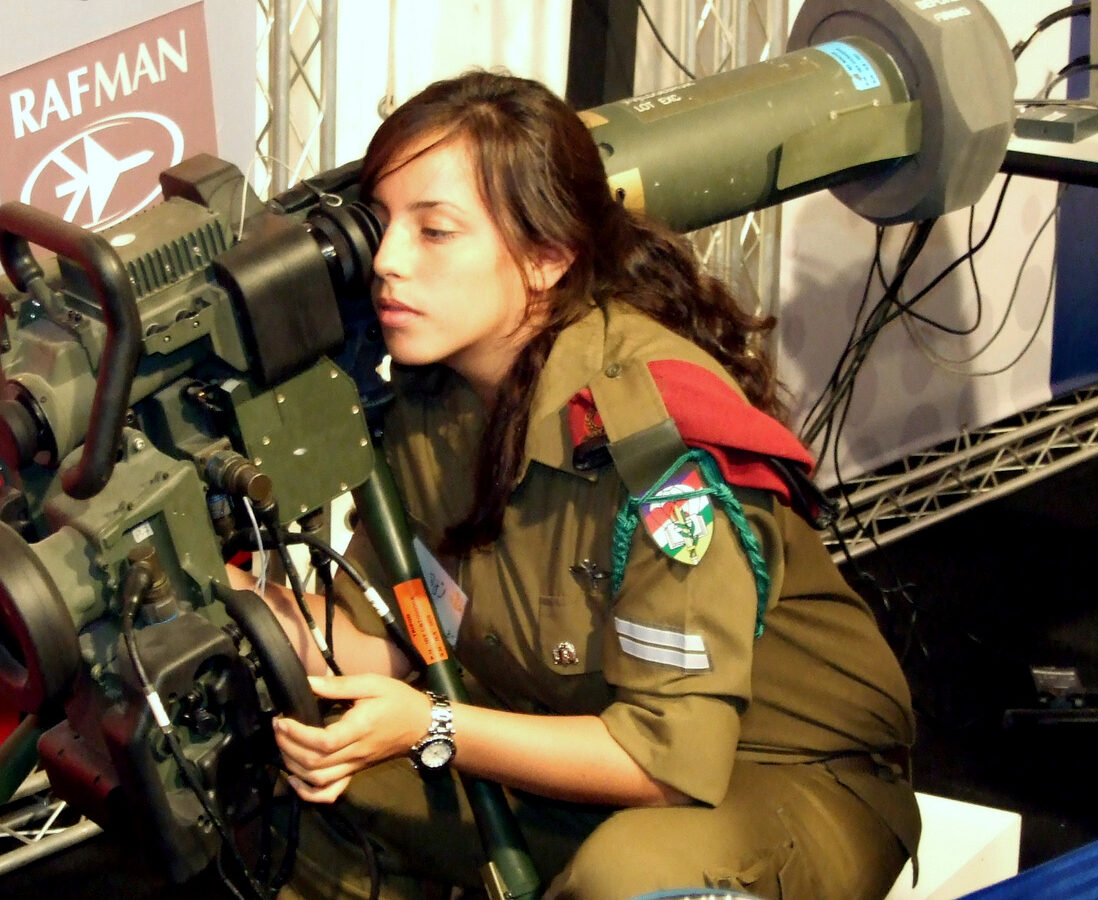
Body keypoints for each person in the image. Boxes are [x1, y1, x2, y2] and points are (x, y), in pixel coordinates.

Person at [229, 69, 919, 900]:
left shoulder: (658, 448)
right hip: (572, 742)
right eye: (384, 225)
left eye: (435, 231)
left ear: (548, 258)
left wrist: (434, 728)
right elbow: (395, 629)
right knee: (309, 798)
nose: (389, 262)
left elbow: (666, 760)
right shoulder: (431, 405)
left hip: (784, 776)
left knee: (622, 882)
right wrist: (238, 598)